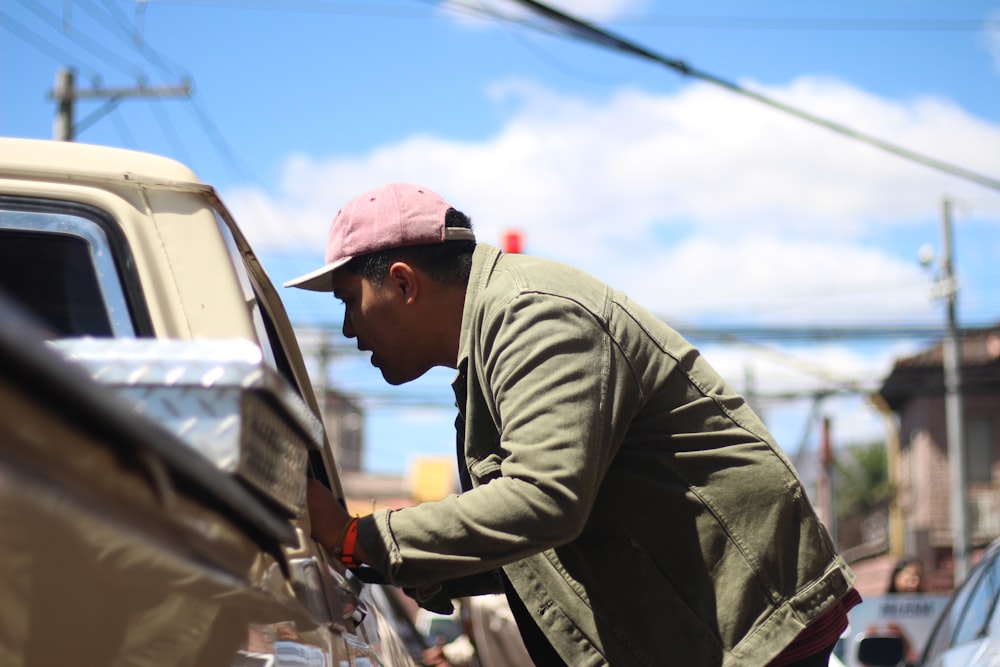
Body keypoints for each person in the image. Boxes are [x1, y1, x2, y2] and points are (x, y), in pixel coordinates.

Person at [288, 183, 861, 667]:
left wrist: (358, 535)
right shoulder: (490, 348)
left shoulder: (535, 315)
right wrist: (418, 566)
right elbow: (543, 541)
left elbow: (545, 502)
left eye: (348, 300)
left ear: (404, 282)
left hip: (751, 629)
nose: (345, 330)